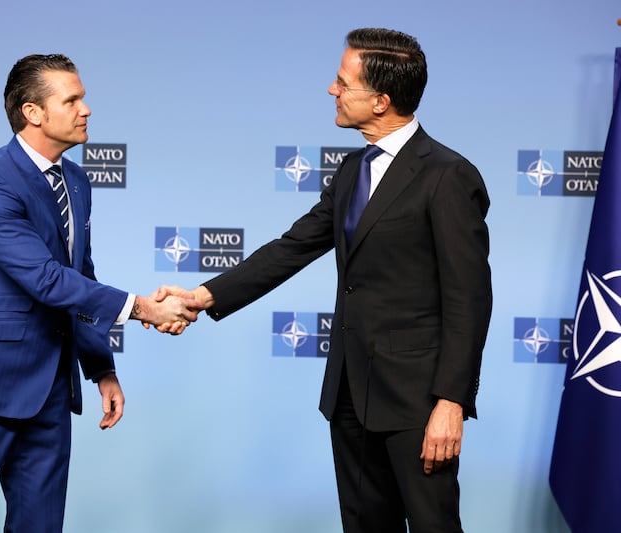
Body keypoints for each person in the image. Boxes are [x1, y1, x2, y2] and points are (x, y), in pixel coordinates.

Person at [158, 28, 492, 533]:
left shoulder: (447, 175)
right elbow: (293, 247)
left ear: (380, 101)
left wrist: (451, 402)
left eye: (342, 83)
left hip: (418, 404)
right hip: (349, 395)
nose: (331, 91)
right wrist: (202, 297)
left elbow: (469, 300)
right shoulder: (353, 167)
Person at [0, 54, 199, 532]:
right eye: (72, 100)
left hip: (50, 387)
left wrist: (100, 368)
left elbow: (81, 278)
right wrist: (144, 309)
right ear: (33, 112)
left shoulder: (76, 179)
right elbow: (46, 278)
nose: (86, 109)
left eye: (83, 98)